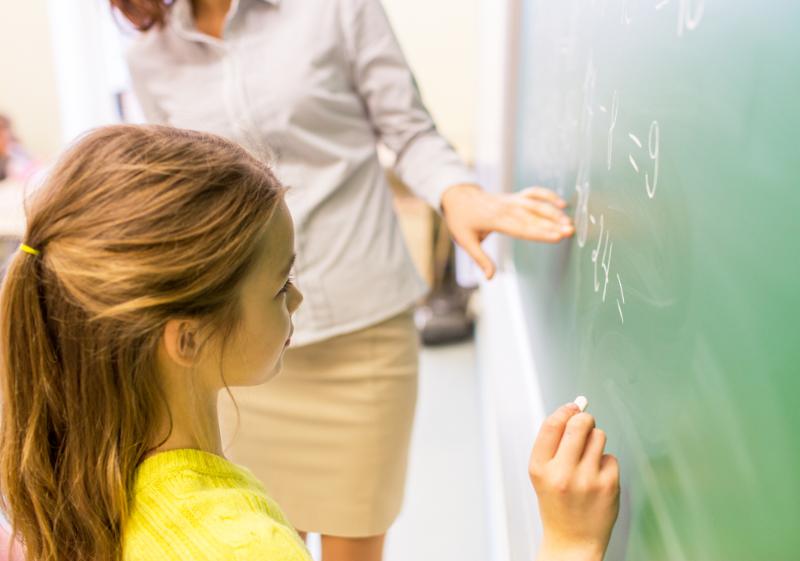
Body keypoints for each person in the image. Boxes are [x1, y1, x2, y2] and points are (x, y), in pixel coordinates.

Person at [0, 125, 618, 561]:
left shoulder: (64, 478)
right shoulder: (243, 547)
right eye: (280, 286)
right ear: (185, 337)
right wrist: (569, 544)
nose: (296, 301)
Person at [116, 2, 575, 558]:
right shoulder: (148, 55)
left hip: (362, 332)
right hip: (235, 351)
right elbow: (184, 192)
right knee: (252, 536)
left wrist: (459, 193)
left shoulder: (335, 8)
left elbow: (408, 131)